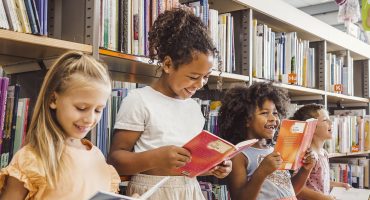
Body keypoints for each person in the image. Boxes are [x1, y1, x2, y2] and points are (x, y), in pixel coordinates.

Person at [108, 8, 231, 200]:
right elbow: (116, 159)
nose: (199, 85)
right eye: (193, 77)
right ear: (167, 65)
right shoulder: (139, 100)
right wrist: (156, 157)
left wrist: (212, 167)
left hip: (190, 191)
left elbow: (188, 168)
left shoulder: (194, 108)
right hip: (152, 192)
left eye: (206, 77)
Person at [0, 51, 120, 200]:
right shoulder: (31, 159)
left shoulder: (98, 157)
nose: (90, 119)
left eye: (98, 110)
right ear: (53, 100)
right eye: (81, 108)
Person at [218, 82, 316, 200]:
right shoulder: (239, 155)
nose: (273, 118)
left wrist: (306, 170)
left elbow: (290, 191)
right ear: (246, 120)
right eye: (264, 113)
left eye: (275, 113)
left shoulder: (275, 149)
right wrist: (262, 172)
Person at [291, 104, 351, 200]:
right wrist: (324, 198)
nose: (331, 122)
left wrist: (340, 185)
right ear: (311, 127)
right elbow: (297, 188)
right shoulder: (306, 155)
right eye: (325, 120)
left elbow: (319, 181)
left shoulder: (324, 153)